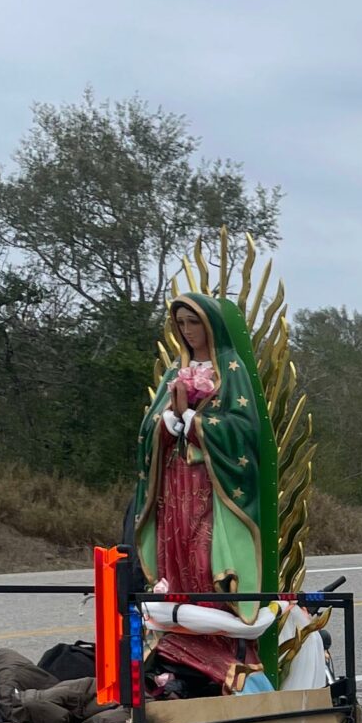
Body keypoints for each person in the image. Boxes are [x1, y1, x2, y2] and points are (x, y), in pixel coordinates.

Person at [128, 293, 280, 698]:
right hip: (174, 484)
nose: (187, 330)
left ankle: (217, 645)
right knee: (175, 558)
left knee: (204, 557)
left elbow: (243, 430)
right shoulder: (174, 372)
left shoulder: (231, 370)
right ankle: (177, 648)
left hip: (212, 489)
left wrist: (195, 420)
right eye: (180, 323)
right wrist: (167, 423)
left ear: (209, 324)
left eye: (193, 321)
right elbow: (147, 432)